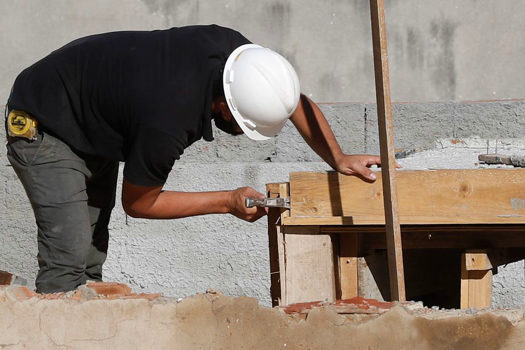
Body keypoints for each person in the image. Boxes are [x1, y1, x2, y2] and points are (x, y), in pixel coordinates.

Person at [5, 24, 381, 294]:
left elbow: (290, 98)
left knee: (88, 258)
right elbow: (139, 203)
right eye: (243, 125)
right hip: (44, 121)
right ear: (224, 105)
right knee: (69, 262)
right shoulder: (168, 121)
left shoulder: (239, 58)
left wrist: (339, 158)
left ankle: (85, 329)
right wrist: (226, 201)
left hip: (93, 114)